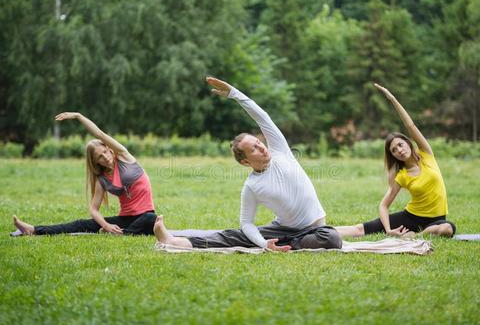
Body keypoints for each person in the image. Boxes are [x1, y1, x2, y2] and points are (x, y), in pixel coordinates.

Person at [153, 77, 342, 251]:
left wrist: (235, 94)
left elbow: (262, 117)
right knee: (234, 236)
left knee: (332, 238)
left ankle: (288, 243)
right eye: (253, 149)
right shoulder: (252, 186)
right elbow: (247, 223)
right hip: (283, 229)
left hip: (315, 230)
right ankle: (175, 240)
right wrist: (263, 243)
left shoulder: (281, 151)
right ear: (245, 161)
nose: (261, 148)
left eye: (258, 142)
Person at [335, 84, 456, 238]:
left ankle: (415, 236)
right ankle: (319, 230)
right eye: (394, 150)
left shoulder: (426, 154)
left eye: (400, 144)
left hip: (437, 220)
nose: (399, 150)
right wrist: (388, 229)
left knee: (447, 229)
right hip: (411, 217)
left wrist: (392, 99)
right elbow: (384, 205)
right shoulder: (402, 176)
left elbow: (410, 126)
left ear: (408, 143)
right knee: (360, 229)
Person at [12, 112, 157, 236]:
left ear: (109, 148)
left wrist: (78, 116)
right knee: (81, 224)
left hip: (145, 215)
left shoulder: (124, 156)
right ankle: (33, 230)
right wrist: (106, 226)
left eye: (105, 151)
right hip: (126, 218)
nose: (105, 156)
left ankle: (124, 233)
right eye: (100, 156)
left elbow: (99, 133)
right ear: (96, 162)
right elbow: (93, 210)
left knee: (152, 218)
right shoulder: (102, 180)